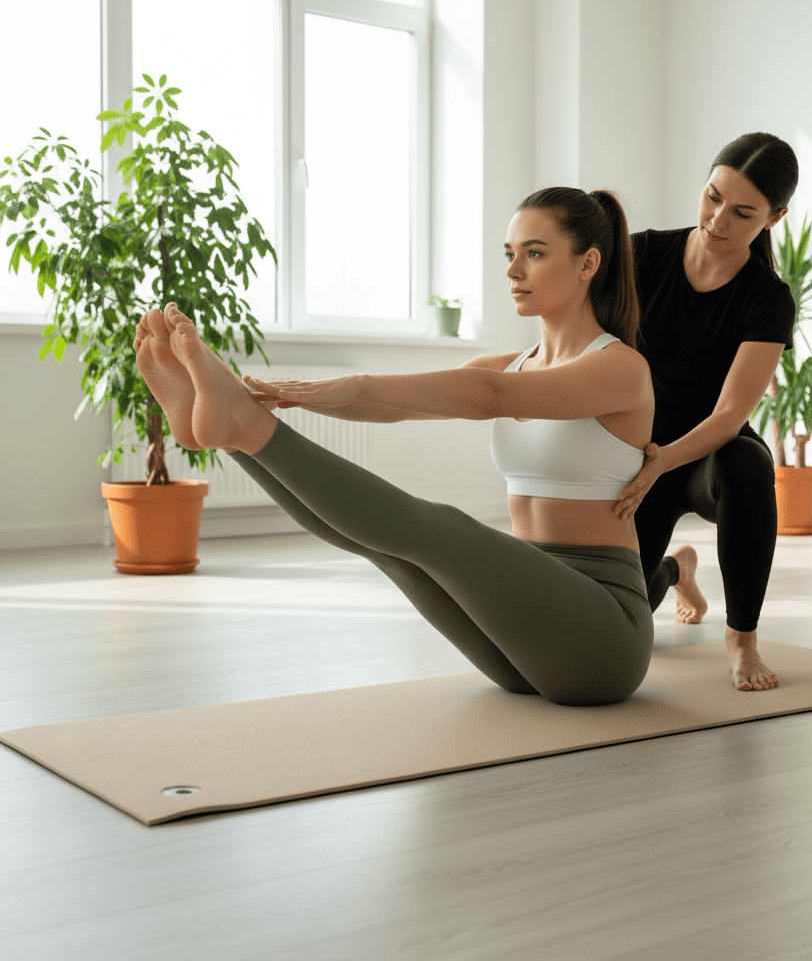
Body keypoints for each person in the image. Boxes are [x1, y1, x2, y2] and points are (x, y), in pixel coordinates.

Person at [133, 187, 657, 707]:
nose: (513, 271)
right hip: (523, 633)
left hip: (604, 638)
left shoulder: (621, 369)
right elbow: (392, 405)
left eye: (534, 253)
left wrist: (356, 383)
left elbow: (491, 397)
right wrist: (299, 396)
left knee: (442, 528)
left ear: (588, 263)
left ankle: (245, 427)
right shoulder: (510, 365)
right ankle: (237, 436)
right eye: (509, 254)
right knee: (385, 548)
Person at [613, 132, 799, 692]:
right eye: (713, 197)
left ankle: (742, 640)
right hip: (636, 458)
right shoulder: (642, 254)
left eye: (742, 213)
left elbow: (731, 412)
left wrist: (661, 462)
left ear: (774, 218)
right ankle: (676, 569)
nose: (718, 220)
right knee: (620, 627)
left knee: (747, 460)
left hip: (705, 462)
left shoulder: (767, 297)